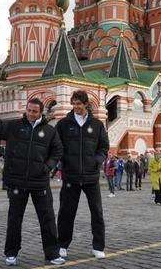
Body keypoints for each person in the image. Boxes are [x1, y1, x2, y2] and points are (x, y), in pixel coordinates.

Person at [0, 98, 66, 266]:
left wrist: (47, 167)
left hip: (40, 182)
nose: (31, 114)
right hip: (17, 181)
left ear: (40, 112)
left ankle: (52, 254)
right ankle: (11, 253)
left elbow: (58, 150)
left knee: (47, 218)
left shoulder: (50, 131)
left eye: (34, 111)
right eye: (29, 110)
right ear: (26, 110)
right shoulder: (15, 126)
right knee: (14, 218)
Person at [56, 90, 110, 260]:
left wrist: (97, 160)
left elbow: (103, 147)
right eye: (74, 104)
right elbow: (56, 146)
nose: (76, 107)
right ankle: (62, 245)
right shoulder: (63, 124)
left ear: (86, 104)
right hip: (70, 176)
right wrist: (62, 162)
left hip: (91, 176)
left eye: (79, 104)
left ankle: (98, 246)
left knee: (97, 213)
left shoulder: (97, 125)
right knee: (66, 213)